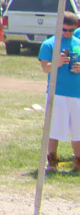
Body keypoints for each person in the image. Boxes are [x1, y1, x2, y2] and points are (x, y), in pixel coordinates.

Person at [38, 13, 80, 170]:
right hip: (57, 93)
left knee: (78, 130)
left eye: (71, 30)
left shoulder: (78, 43)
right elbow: (45, 68)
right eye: (65, 30)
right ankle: (52, 161)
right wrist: (57, 62)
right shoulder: (49, 44)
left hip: (77, 93)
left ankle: (78, 162)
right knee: (54, 128)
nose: (68, 33)